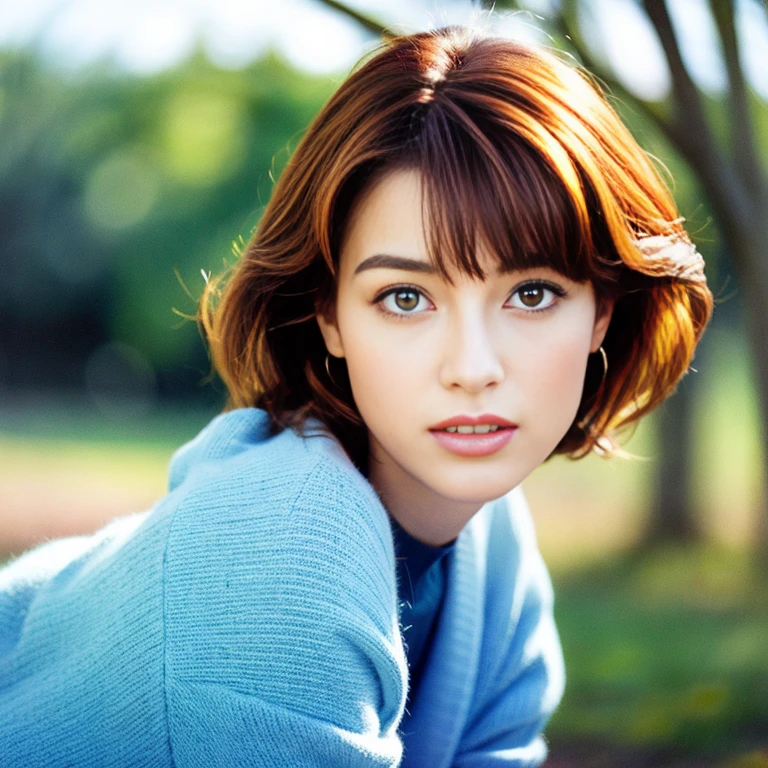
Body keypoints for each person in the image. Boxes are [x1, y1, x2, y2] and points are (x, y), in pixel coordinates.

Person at [0, 23, 712, 767]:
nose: (473, 367)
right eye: (405, 297)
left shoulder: (495, 548)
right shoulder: (277, 564)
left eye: (531, 293)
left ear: (602, 308)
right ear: (328, 314)